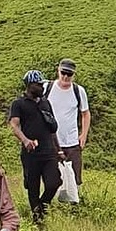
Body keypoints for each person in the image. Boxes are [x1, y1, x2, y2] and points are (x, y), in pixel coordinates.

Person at [7, 71, 60, 224]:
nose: (42, 87)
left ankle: (42, 207)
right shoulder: (18, 104)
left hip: (49, 151)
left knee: (54, 182)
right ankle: (37, 219)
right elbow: (14, 125)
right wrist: (25, 140)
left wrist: (59, 149)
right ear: (30, 86)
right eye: (39, 85)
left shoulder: (45, 102)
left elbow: (52, 127)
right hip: (31, 154)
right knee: (33, 187)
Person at [48, 60, 91, 200]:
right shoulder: (47, 88)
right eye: (63, 73)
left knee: (74, 178)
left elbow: (85, 113)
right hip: (51, 142)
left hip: (72, 141)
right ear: (58, 71)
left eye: (69, 74)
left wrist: (83, 134)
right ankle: (53, 204)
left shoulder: (79, 91)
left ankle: (74, 204)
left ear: (74, 75)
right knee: (52, 178)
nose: (65, 77)